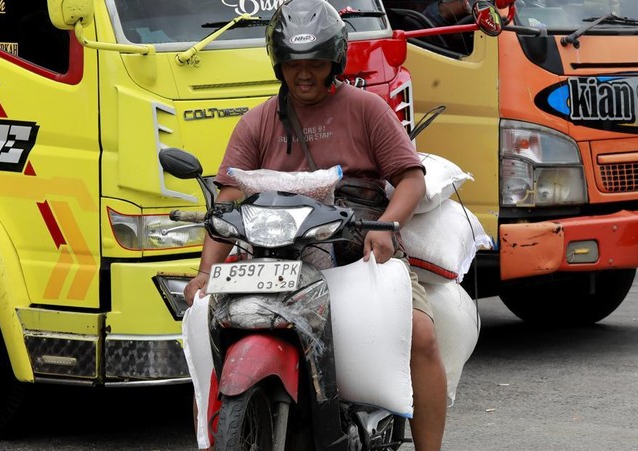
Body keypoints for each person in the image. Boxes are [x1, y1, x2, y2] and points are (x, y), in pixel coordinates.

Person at [182, 0, 447, 449]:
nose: (303, 74)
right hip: (271, 255)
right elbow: (227, 198)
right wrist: (205, 271)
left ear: (335, 61)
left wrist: (385, 227)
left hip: (357, 247)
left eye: (315, 63)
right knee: (209, 323)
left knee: (420, 334)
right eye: (293, 64)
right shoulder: (257, 121)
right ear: (278, 64)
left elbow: (410, 178)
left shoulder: (367, 109)